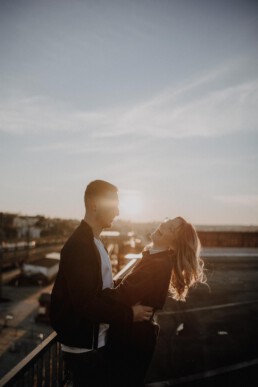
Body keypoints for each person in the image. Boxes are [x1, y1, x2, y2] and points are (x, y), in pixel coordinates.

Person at [50, 180, 153, 387]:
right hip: (85, 350)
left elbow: (101, 290)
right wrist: (130, 314)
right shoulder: (80, 246)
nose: (118, 211)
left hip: (95, 344)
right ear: (95, 204)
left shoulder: (94, 242)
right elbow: (86, 303)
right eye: (113, 204)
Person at [102, 216, 207, 386]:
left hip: (130, 342)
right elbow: (127, 289)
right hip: (133, 339)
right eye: (168, 221)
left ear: (175, 243)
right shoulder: (154, 259)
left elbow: (121, 295)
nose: (164, 225)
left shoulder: (157, 265)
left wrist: (88, 292)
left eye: (171, 228)